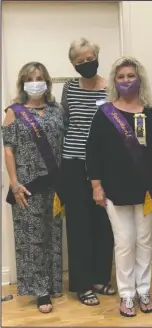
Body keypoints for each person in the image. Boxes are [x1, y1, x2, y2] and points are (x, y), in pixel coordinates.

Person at [86, 56, 152, 317]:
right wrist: (96, 186)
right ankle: (127, 295)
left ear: (139, 78)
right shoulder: (104, 113)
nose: (126, 81)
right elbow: (93, 151)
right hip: (114, 189)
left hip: (147, 189)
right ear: (114, 81)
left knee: (144, 241)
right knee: (124, 243)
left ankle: (144, 290)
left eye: (130, 76)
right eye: (121, 77)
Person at [1, 62, 65, 313]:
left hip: (55, 185)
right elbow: (8, 151)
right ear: (23, 83)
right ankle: (40, 291)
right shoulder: (13, 112)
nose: (35, 82)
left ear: (47, 82)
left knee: (54, 236)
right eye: (30, 78)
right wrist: (14, 183)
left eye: (39, 77)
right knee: (34, 239)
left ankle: (52, 282)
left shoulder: (56, 110)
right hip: (28, 186)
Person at [60, 38, 115, 306]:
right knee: (79, 224)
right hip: (73, 162)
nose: (85, 63)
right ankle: (82, 285)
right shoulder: (69, 88)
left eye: (89, 58)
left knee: (104, 224)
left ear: (97, 56)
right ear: (73, 64)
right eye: (79, 61)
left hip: (103, 165)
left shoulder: (110, 88)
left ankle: (100, 278)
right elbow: (65, 121)